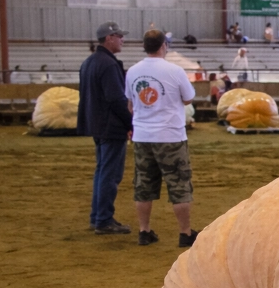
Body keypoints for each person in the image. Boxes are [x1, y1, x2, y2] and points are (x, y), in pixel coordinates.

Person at [124, 29, 199, 248]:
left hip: (142, 136)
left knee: (143, 184)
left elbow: (130, 104)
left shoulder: (133, 71)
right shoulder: (174, 71)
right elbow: (189, 99)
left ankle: (144, 231)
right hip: (170, 136)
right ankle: (185, 233)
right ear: (163, 45)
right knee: (179, 184)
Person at [76, 21, 133, 235]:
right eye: (119, 36)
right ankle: (103, 219)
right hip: (111, 127)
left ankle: (97, 216)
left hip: (96, 125)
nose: (122, 40)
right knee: (110, 174)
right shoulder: (109, 65)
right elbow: (116, 98)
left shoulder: (89, 62)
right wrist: (130, 122)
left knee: (101, 172)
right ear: (109, 38)